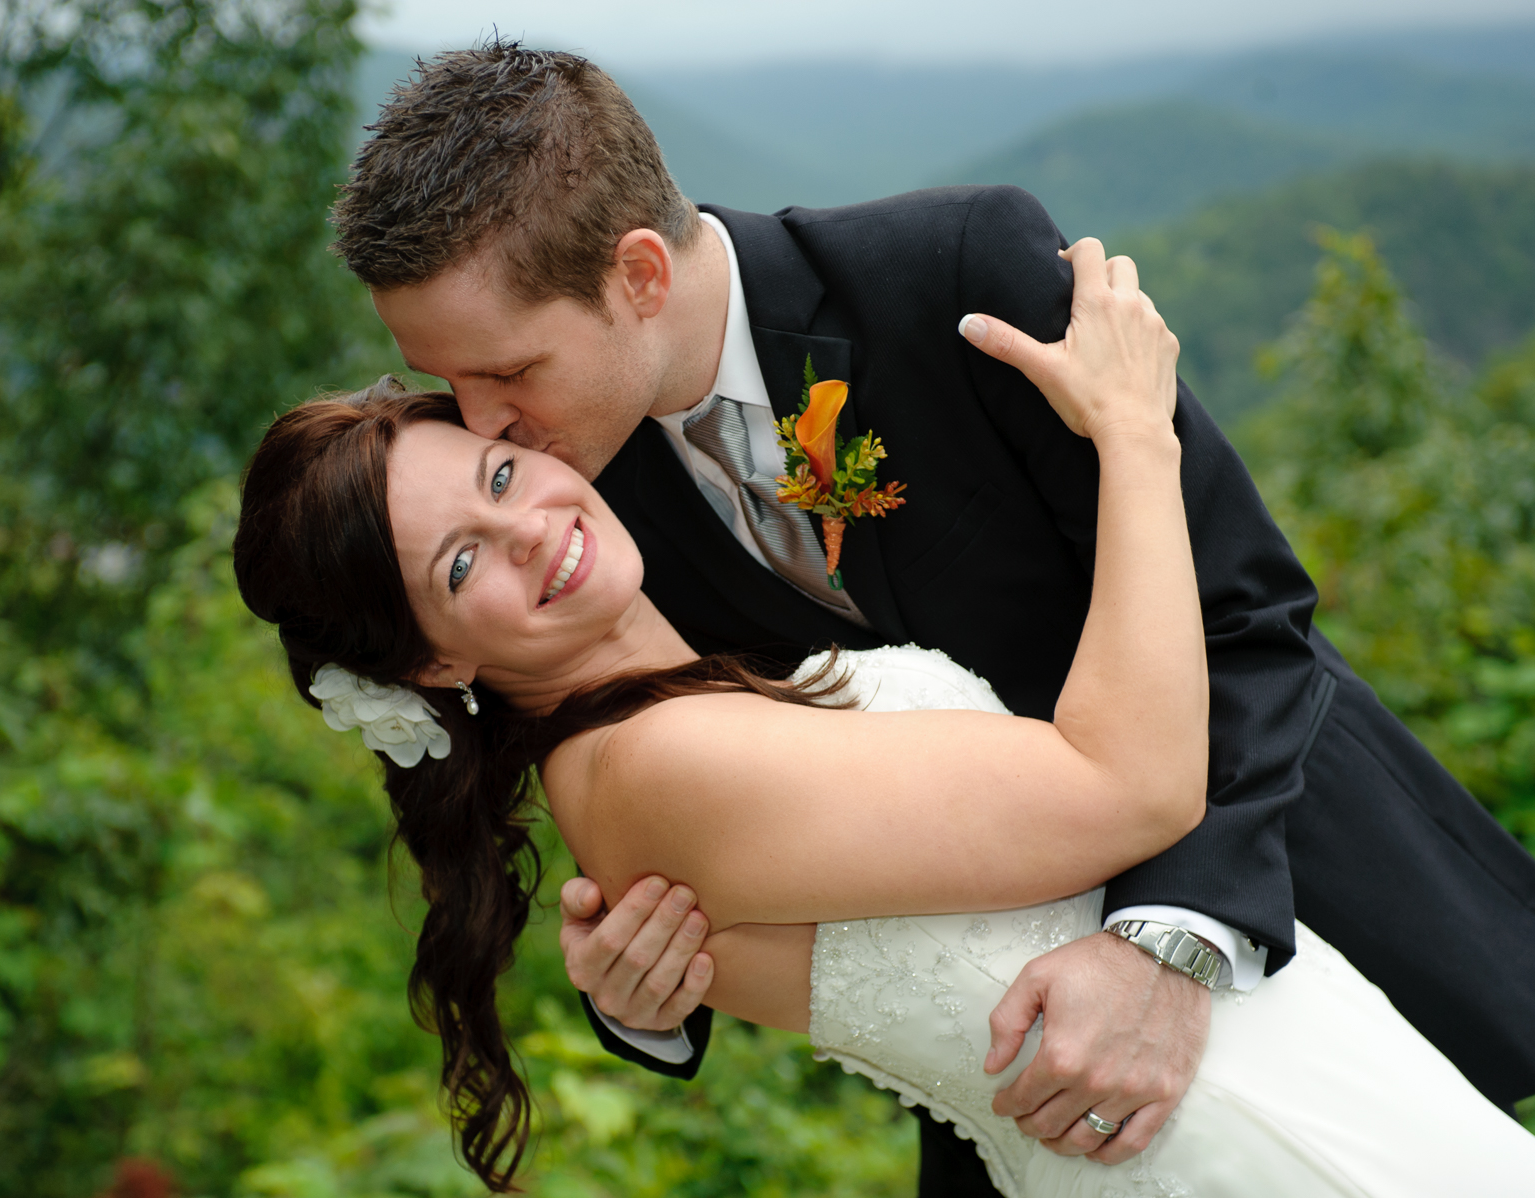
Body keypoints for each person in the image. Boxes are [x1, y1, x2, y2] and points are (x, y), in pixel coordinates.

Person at [327, 41, 1535, 1197]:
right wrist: (643, 988)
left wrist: (1168, 943)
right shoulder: (571, 502)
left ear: (638, 276)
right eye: (453, 383)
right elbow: (700, 788)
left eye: (506, 372)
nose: (478, 423)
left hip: (1322, 906)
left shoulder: (960, 277)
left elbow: (1246, 612)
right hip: (1040, 1094)